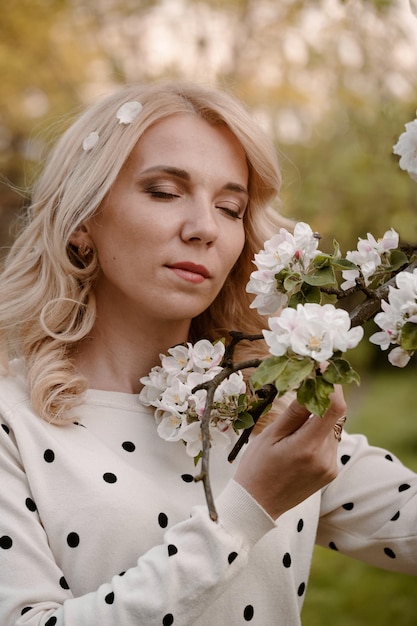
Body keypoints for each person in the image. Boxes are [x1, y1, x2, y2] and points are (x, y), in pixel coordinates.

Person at [0, 82, 415, 626]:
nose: (204, 230)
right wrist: (247, 510)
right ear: (82, 221)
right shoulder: (15, 424)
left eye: (229, 207)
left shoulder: (263, 409)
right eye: (165, 192)